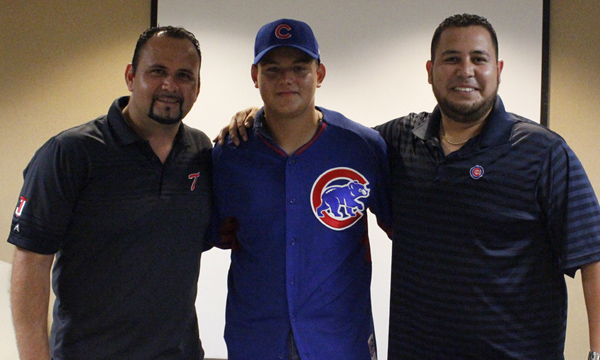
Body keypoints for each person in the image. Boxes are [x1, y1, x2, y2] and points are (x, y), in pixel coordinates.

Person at [221, 13, 600, 360]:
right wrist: (259, 117)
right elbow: (319, 136)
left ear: (498, 69)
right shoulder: (397, 141)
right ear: (431, 70)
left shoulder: (542, 152)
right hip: (417, 349)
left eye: (478, 59)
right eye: (452, 59)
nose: (465, 71)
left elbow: (593, 254)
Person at [8, 26, 212, 360]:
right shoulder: (71, 153)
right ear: (131, 77)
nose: (170, 86)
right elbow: (31, 260)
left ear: (197, 87)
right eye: (157, 71)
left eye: (184, 76)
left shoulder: (201, 152)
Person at [210, 18, 392, 360]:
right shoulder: (229, 155)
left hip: (339, 341)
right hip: (256, 341)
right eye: (273, 69)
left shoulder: (362, 148)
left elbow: (403, 229)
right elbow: (214, 235)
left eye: (299, 67)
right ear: (255, 76)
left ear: (319, 74)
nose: (286, 79)